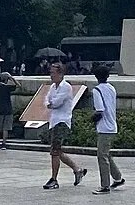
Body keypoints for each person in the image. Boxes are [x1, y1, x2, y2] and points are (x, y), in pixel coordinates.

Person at [43, 58, 85, 188]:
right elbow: (47, 100)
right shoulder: (52, 87)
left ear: (61, 74)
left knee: (54, 151)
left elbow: (56, 102)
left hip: (62, 121)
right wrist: (50, 103)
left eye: (54, 73)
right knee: (57, 150)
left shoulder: (66, 87)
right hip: (54, 120)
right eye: (50, 73)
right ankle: (77, 170)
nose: (51, 75)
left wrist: (51, 103)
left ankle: (54, 179)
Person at [88, 64, 125, 193]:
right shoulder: (111, 88)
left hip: (104, 128)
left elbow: (99, 110)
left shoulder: (97, 90)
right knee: (106, 154)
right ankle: (118, 178)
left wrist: (91, 118)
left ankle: (105, 185)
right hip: (112, 125)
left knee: (101, 156)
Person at [0, 67, 18, 148]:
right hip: (8, 110)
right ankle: (3, 144)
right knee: (6, 128)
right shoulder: (7, 88)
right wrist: (12, 78)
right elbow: (18, 86)